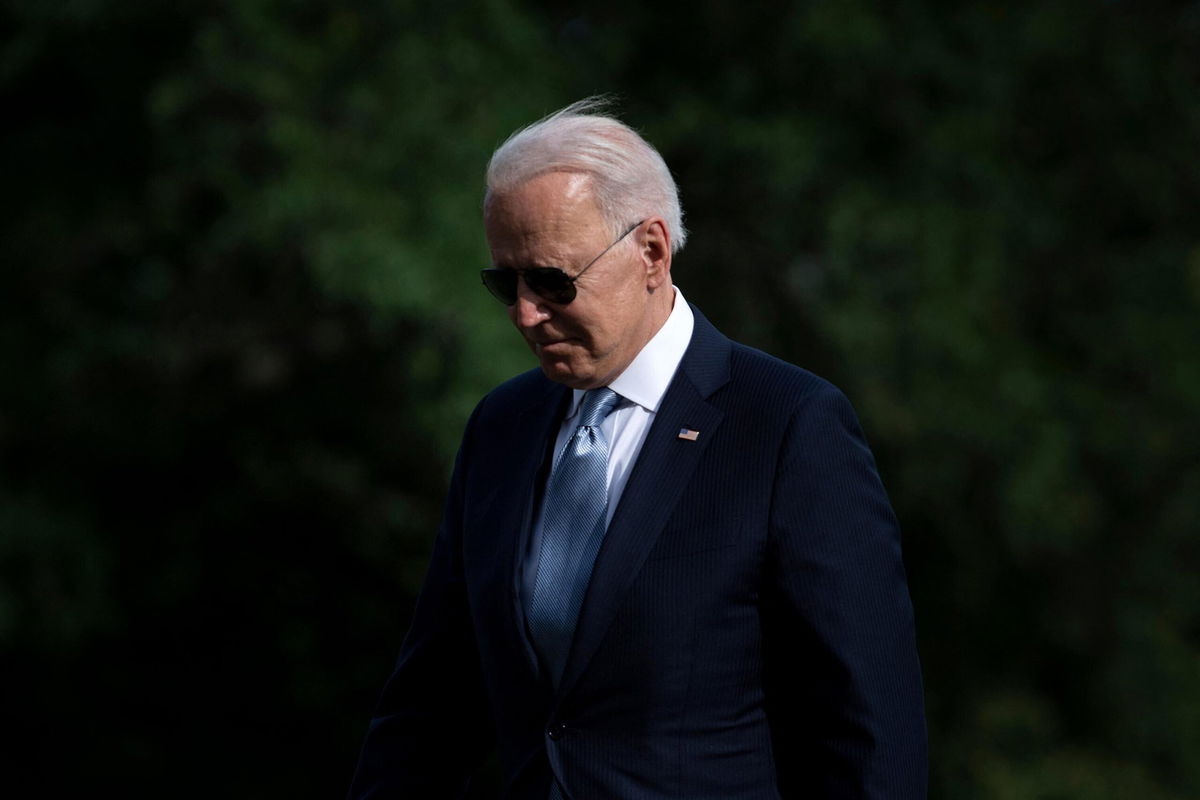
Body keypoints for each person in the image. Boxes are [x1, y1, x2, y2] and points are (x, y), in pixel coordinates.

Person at [348, 98, 927, 799]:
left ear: (650, 251)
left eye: (553, 281)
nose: (525, 313)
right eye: (507, 282)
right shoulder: (501, 427)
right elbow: (433, 704)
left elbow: (867, 733)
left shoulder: (786, 427)